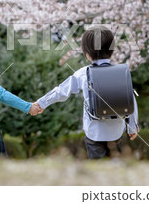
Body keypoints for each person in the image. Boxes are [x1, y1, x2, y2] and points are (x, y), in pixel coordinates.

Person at [35, 26, 139, 159]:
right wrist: (132, 127)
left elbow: (61, 91)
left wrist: (41, 103)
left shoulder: (83, 73)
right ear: (112, 50)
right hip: (116, 132)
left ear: (87, 53)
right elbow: (130, 99)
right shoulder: (122, 72)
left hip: (94, 132)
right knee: (115, 167)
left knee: (96, 167)